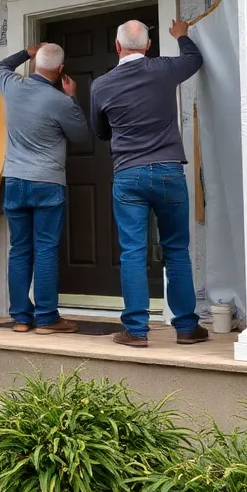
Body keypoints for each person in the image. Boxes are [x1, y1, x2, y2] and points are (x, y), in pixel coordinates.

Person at [88, 19, 207, 348]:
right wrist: (182, 35)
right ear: (148, 46)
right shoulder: (164, 69)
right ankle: (185, 327)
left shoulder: (101, 85)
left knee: (133, 253)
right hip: (168, 171)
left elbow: (99, 131)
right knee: (176, 251)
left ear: (117, 46)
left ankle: (136, 331)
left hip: (128, 174)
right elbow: (194, 59)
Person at [0, 42, 90, 334]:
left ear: (36, 64)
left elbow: (0, 66)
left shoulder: (12, 86)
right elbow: (82, 136)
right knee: (46, 249)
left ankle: (22, 318)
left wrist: (26, 52)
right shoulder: (59, 100)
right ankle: (47, 319)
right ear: (60, 70)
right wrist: (72, 98)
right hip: (47, 182)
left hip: (14, 181)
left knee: (20, 249)